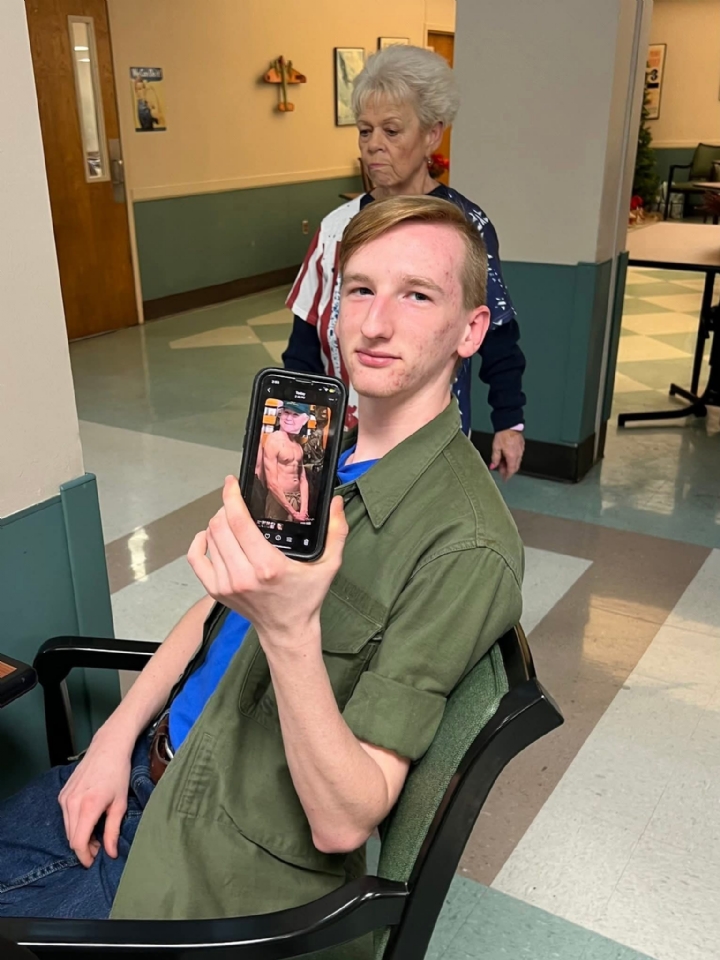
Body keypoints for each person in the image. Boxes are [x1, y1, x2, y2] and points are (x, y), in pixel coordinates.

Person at [0, 197, 523, 942]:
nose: (375, 324)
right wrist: (115, 738)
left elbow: (344, 819)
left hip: (212, 853)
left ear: (471, 329)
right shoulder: (319, 450)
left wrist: (289, 629)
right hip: (149, 763)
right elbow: (215, 619)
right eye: (361, 289)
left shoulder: (464, 546)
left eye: (417, 295)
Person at [284, 44, 527, 480]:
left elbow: (497, 335)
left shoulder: (464, 226)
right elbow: (305, 347)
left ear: (432, 134)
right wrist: (297, 431)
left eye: (392, 131)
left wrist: (509, 421)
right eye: (365, 131)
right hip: (343, 438)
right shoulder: (336, 228)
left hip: (432, 441)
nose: (374, 145)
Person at [262, 402, 311, 521]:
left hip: (297, 499)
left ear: (304, 420)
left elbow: (303, 479)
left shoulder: (297, 446)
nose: (289, 418)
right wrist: (293, 512)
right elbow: (272, 483)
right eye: (286, 412)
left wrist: (304, 509)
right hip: (279, 499)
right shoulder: (274, 440)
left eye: (295, 415)